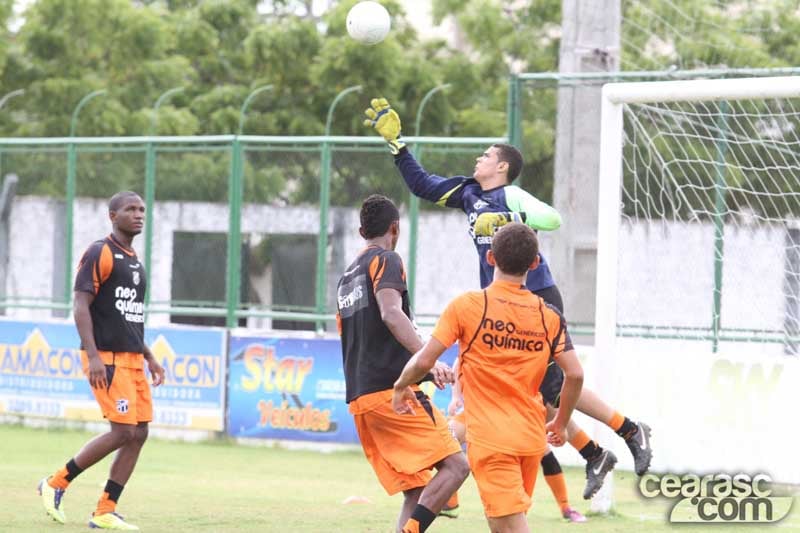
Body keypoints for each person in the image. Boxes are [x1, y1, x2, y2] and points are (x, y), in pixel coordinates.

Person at [364, 97, 653, 498]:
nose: (478, 159)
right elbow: (422, 184)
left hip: (535, 293)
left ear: (501, 166)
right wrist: (398, 146)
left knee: (549, 385)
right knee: (534, 388)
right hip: (499, 300)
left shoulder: (510, 196)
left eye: (485, 155)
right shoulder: (467, 194)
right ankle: (598, 450)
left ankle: (624, 432)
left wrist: (514, 219)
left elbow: (552, 219)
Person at [393, 223, 585, 533]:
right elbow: (574, 373)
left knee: (509, 527)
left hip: (493, 442)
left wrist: (401, 386)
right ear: (534, 264)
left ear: (490, 258)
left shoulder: (467, 306)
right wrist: (561, 422)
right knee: (502, 526)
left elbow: (425, 359)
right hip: (529, 440)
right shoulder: (548, 315)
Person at [336, 194, 470, 533]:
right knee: (456, 467)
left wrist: (420, 371)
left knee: (416, 490)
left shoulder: (346, 278)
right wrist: (428, 357)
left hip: (361, 399)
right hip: (392, 394)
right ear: (395, 228)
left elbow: (359, 339)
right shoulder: (387, 260)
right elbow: (391, 314)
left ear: (360, 230)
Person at [38, 191, 165, 531]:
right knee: (122, 430)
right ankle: (56, 483)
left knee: (139, 433)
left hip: (132, 358)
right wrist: (92, 354)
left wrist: (149, 356)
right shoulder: (100, 251)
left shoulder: (135, 261)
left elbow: (129, 317)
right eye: (130, 209)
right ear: (113, 215)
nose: (138, 214)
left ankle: (105, 510)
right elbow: (80, 305)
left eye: (141, 209)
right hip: (105, 359)